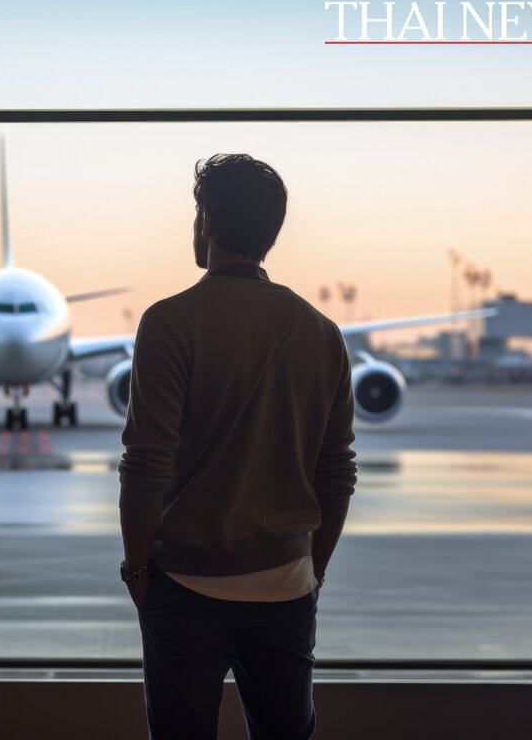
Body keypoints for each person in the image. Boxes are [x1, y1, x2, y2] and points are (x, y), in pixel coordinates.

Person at [119, 153, 357, 739]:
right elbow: (336, 474)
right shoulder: (321, 332)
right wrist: (312, 570)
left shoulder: (169, 322)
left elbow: (145, 466)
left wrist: (139, 571)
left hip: (185, 584)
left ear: (206, 220)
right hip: (287, 583)